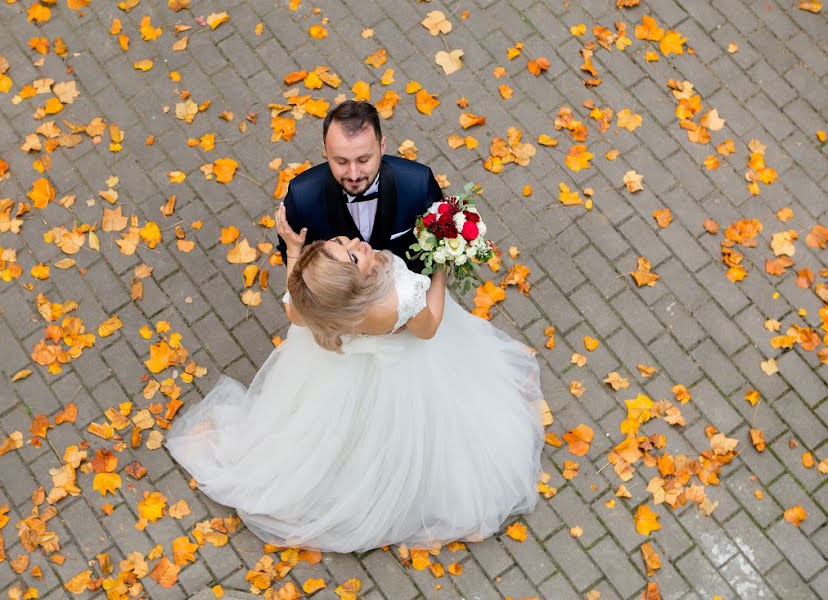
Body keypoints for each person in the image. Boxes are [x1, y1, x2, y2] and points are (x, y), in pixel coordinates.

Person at [164, 210, 548, 552]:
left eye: (338, 242)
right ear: (352, 281)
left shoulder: (321, 302)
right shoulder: (400, 296)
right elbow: (429, 329)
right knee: (419, 433)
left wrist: (296, 250)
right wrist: (440, 274)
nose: (354, 242)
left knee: (347, 434)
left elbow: (295, 312)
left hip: (340, 375)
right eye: (351, 254)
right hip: (408, 373)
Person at [275, 100, 443, 273]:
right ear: (326, 151)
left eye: (363, 160)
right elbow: (293, 256)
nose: (353, 174)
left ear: (382, 146)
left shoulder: (419, 184)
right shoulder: (302, 197)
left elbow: (439, 244)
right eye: (341, 161)